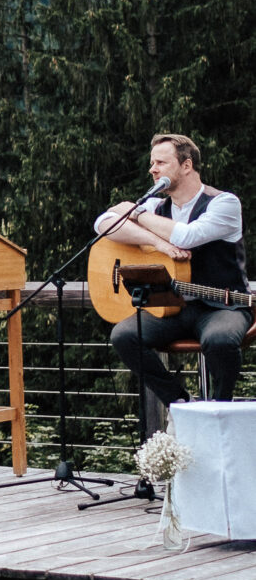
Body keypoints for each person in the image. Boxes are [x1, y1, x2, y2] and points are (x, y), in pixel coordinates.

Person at [96, 132, 251, 424]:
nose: (152, 169)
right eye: (151, 162)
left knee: (219, 340)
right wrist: (158, 244)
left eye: (161, 162)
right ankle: (181, 406)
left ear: (186, 166)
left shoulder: (224, 203)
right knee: (124, 335)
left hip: (223, 306)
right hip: (173, 307)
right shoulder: (157, 207)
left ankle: (219, 413)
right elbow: (103, 224)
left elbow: (187, 237)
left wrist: (136, 213)